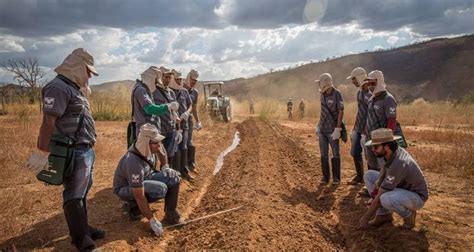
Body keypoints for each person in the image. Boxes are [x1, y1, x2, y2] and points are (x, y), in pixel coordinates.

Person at [28, 48, 104, 250]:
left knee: (82, 190)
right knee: (74, 194)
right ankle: (82, 241)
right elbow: (48, 122)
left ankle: (84, 229)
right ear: (78, 67)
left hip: (84, 149)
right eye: (88, 71)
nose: (89, 76)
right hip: (73, 151)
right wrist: (42, 153)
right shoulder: (58, 87)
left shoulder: (72, 88)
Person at [113, 123, 182, 236]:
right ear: (146, 143)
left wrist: (165, 166)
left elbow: (162, 151)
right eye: (156, 143)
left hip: (145, 179)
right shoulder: (133, 162)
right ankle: (133, 206)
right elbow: (139, 196)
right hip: (126, 188)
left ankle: (171, 214)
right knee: (160, 189)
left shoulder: (150, 147)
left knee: (174, 177)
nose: (159, 145)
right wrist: (152, 220)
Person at [359, 128, 428, 230]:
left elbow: (380, 194)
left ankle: (409, 216)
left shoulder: (399, 163)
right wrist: (374, 194)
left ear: (386, 146)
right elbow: (383, 172)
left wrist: (365, 218)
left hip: (416, 197)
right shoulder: (391, 152)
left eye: (375, 147)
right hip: (402, 189)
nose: (373, 149)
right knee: (369, 175)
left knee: (385, 198)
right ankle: (383, 215)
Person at [131, 66, 178, 138]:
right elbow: (150, 109)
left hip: (149, 129)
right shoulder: (141, 90)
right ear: (150, 78)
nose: (156, 84)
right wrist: (168, 106)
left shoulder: (142, 88)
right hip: (146, 131)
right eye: (155, 81)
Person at [365, 70, 398, 171]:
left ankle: (382, 185)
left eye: (372, 83)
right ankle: (373, 185)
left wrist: (387, 141)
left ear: (379, 82)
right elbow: (369, 117)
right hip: (369, 137)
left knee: (382, 165)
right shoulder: (372, 99)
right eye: (368, 83)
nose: (370, 86)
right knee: (371, 162)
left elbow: (391, 120)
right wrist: (364, 134)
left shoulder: (388, 99)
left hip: (381, 139)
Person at [315, 73, 344, 185]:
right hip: (322, 129)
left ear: (324, 82)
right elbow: (322, 111)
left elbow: (341, 111)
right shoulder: (322, 95)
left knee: (335, 153)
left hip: (332, 129)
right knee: (323, 154)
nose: (318, 84)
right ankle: (325, 177)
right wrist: (318, 125)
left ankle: (336, 178)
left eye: (320, 82)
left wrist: (338, 128)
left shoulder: (337, 94)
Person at [347, 67, 372, 185]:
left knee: (369, 156)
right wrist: (355, 128)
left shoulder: (371, 94)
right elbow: (360, 112)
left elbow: (371, 114)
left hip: (367, 130)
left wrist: (365, 131)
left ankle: (371, 181)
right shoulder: (359, 93)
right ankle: (360, 177)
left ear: (360, 77)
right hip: (358, 128)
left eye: (354, 79)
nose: (353, 82)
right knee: (355, 152)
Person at [169, 68, 194, 181]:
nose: (180, 81)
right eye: (177, 79)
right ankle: (175, 173)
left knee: (184, 147)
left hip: (184, 125)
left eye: (180, 79)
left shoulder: (184, 91)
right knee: (174, 150)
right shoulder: (169, 92)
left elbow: (190, 105)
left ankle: (184, 171)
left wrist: (187, 113)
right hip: (173, 126)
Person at [152, 67, 178, 166]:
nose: (168, 80)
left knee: (169, 155)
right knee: (156, 156)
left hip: (170, 128)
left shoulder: (171, 92)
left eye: (169, 78)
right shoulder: (153, 92)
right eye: (166, 77)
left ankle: (167, 177)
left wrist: (177, 127)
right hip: (158, 129)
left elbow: (174, 110)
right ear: (160, 77)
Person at [183, 69, 201, 172]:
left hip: (189, 120)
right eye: (192, 80)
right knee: (182, 143)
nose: (193, 82)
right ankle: (183, 166)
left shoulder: (195, 92)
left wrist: (198, 121)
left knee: (189, 141)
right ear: (188, 78)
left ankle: (191, 164)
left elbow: (194, 108)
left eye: (195, 81)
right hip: (180, 120)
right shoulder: (180, 89)